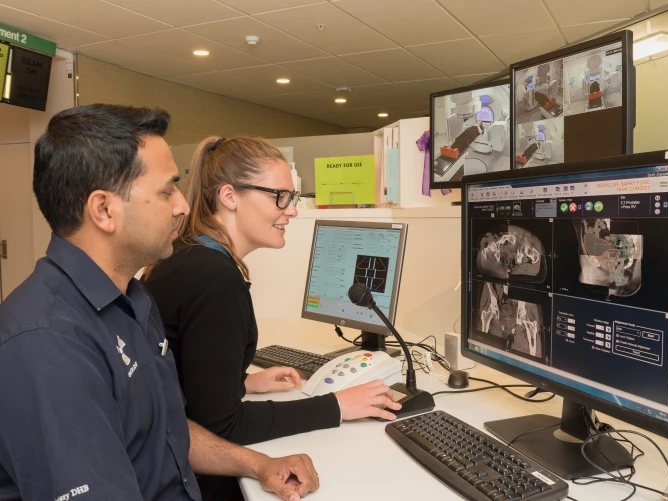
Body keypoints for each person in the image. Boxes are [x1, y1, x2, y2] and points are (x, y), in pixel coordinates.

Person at [0, 104, 319, 501]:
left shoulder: (133, 301)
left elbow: (168, 433)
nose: (184, 206)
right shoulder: (47, 343)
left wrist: (256, 464)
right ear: (104, 210)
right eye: (167, 191)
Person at [143, 136, 402, 500]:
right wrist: (338, 405)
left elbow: (179, 374)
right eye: (279, 196)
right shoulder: (216, 282)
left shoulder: (186, 254)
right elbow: (224, 427)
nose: (292, 210)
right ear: (230, 196)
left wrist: (244, 383)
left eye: (292, 198)